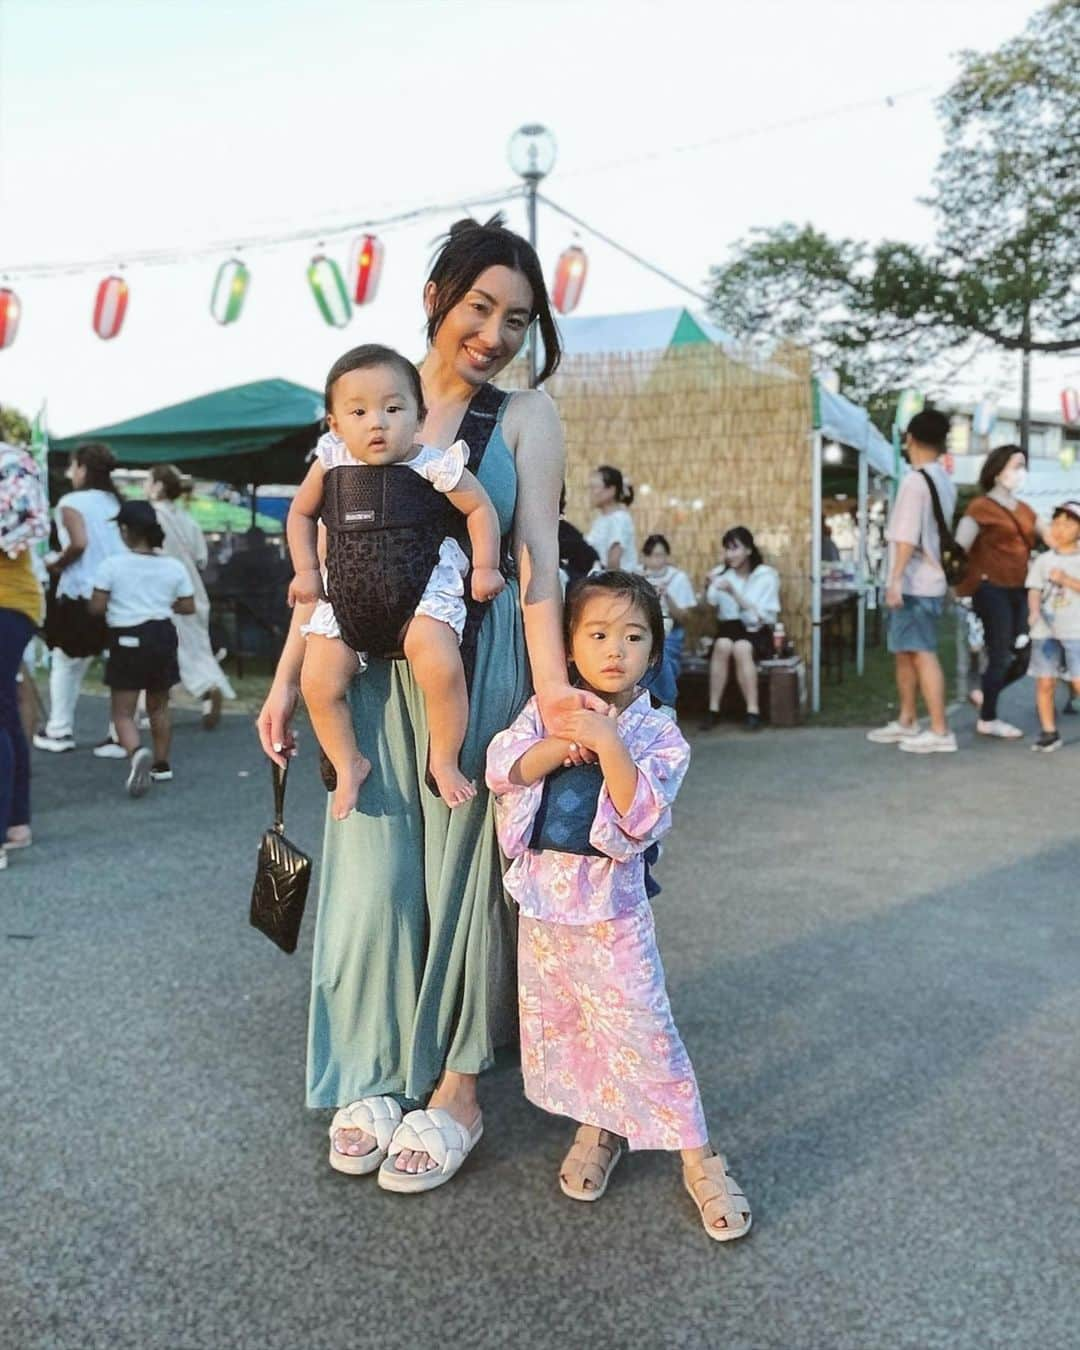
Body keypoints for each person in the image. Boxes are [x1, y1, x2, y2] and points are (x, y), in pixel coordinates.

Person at [257, 214, 607, 1191]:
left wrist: (550, 697)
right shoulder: (362, 403)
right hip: (362, 674)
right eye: (480, 307)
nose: (494, 334)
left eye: (518, 319)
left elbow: (536, 557)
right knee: (372, 877)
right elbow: (319, 562)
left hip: (472, 666)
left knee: (461, 878)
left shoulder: (528, 417)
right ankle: (373, 1071)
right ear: (435, 298)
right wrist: (286, 684)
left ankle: (456, 1085)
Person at [485, 572, 751, 1241]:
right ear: (569, 647)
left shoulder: (659, 735)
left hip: (611, 913)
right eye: (598, 634)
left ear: (655, 654)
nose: (615, 650)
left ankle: (699, 1156)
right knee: (573, 1026)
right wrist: (558, 744)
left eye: (634, 637)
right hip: (546, 906)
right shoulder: (548, 709)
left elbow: (642, 817)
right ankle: (599, 1126)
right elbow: (502, 769)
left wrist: (608, 743)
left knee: (643, 1029)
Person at [286, 343, 505, 816]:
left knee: (442, 667)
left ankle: (443, 759)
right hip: (347, 596)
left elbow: (479, 507)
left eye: (393, 408)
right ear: (335, 424)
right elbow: (300, 514)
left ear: (419, 415)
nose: (377, 422)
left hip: (418, 589)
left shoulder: (433, 464)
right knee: (317, 682)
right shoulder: (330, 464)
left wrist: (485, 565)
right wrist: (306, 570)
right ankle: (349, 763)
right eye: (359, 411)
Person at [88, 501, 194, 795]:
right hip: (161, 634)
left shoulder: (112, 565)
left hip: (126, 637)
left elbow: (97, 607)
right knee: (159, 705)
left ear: (124, 530)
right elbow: (188, 606)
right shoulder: (173, 566)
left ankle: (136, 752)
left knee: (122, 711)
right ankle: (162, 764)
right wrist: (159, 603)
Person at [867, 410, 958, 753]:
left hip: (914, 582)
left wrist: (894, 580)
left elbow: (905, 537)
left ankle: (939, 729)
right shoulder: (943, 479)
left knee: (921, 653)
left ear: (910, 439)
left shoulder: (914, 481)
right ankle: (908, 720)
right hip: (930, 580)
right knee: (905, 652)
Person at [34, 443, 124, 754]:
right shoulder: (116, 501)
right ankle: (119, 735)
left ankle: (59, 730)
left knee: (66, 661)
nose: (70, 473)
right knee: (119, 665)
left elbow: (79, 543)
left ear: (83, 468)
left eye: (73, 467)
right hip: (120, 591)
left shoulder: (71, 502)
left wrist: (56, 562)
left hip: (81, 592)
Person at [954, 444, 1040, 740]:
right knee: (1001, 652)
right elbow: (959, 547)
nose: (1021, 472)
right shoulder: (980, 507)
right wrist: (957, 582)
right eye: (1017, 465)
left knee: (1022, 656)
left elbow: (1052, 537)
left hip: (1020, 589)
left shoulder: (1025, 511)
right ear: (998, 468)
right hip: (990, 588)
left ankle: (984, 694)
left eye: (1023, 466)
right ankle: (988, 718)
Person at [147, 464, 234, 729]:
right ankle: (210, 688)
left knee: (162, 648)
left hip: (161, 591)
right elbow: (201, 560)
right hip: (194, 591)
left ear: (159, 486)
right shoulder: (188, 519)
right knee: (196, 647)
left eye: (149, 481)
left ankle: (203, 689)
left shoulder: (151, 517)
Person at [0, 442, 48, 868]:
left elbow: (17, 529)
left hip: (7, 602)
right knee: (5, 712)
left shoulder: (10, 463)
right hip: (13, 602)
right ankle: (16, 822)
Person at [701, 526, 780, 731]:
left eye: (735, 548)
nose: (730, 554)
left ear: (749, 550)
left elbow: (759, 617)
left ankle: (753, 711)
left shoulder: (766, 575)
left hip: (758, 630)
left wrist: (733, 592)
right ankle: (713, 708)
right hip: (729, 627)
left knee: (742, 648)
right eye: (727, 549)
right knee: (723, 644)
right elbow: (709, 603)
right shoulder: (721, 573)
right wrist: (707, 585)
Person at [1025, 501, 1080, 753]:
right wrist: (1034, 611)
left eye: (1068, 523)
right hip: (1045, 631)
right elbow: (1034, 588)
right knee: (1045, 682)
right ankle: (1049, 731)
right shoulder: (1043, 561)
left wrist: (1067, 580)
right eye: (1056, 522)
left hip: (1076, 631)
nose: (1060, 528)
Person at [585, 465, 637, 571]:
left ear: (611, 490)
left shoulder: (619, 519)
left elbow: (613, 562)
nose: (591, 493)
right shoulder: (601, 519)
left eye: (595, 487)